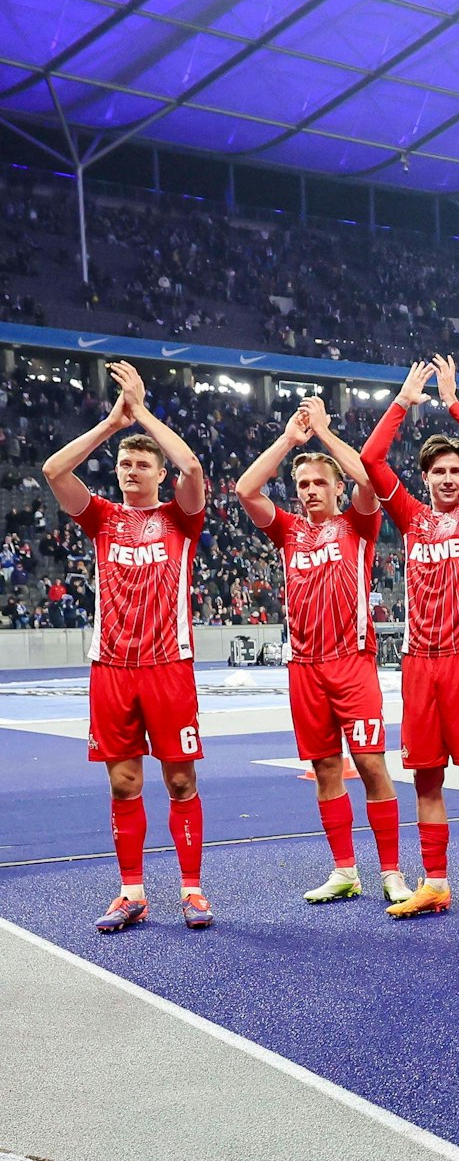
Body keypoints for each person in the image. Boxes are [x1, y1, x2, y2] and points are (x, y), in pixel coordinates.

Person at [44, 362, 213, 933]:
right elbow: (52, 469)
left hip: (169, 666)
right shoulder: (101, 519)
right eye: (125, 463)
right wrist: (112, 425)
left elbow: (192, 465)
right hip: (112, 668)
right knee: (123, 782)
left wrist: (143, 414)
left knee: (180, 781)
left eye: (144, 463)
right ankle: (131, 892)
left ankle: (192, 890)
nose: (132, 470)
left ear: (159, 474)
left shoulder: (180, 518)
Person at [235, 397, 410, 906]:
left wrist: (326, 436)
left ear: (336, 487)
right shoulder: (289, 531)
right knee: (326, 770)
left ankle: (393, 874)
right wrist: (291, 439)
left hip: (353, 663)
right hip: (304, 667)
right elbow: (247, 489)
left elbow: (373, 480)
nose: (310, 492)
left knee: (373, 766)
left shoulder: (358, 523)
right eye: (303, 486)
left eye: (318, 483)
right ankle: (344, 870)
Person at [361, 357, 459, 922]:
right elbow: (372, 460)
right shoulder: (411, 518)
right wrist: (402, 400)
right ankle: (437, 882)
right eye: (439, 471)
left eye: (455, 471)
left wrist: (453, 403)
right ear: (424, 478)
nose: (449, 479)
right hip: (419, 663)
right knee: (425, 776)